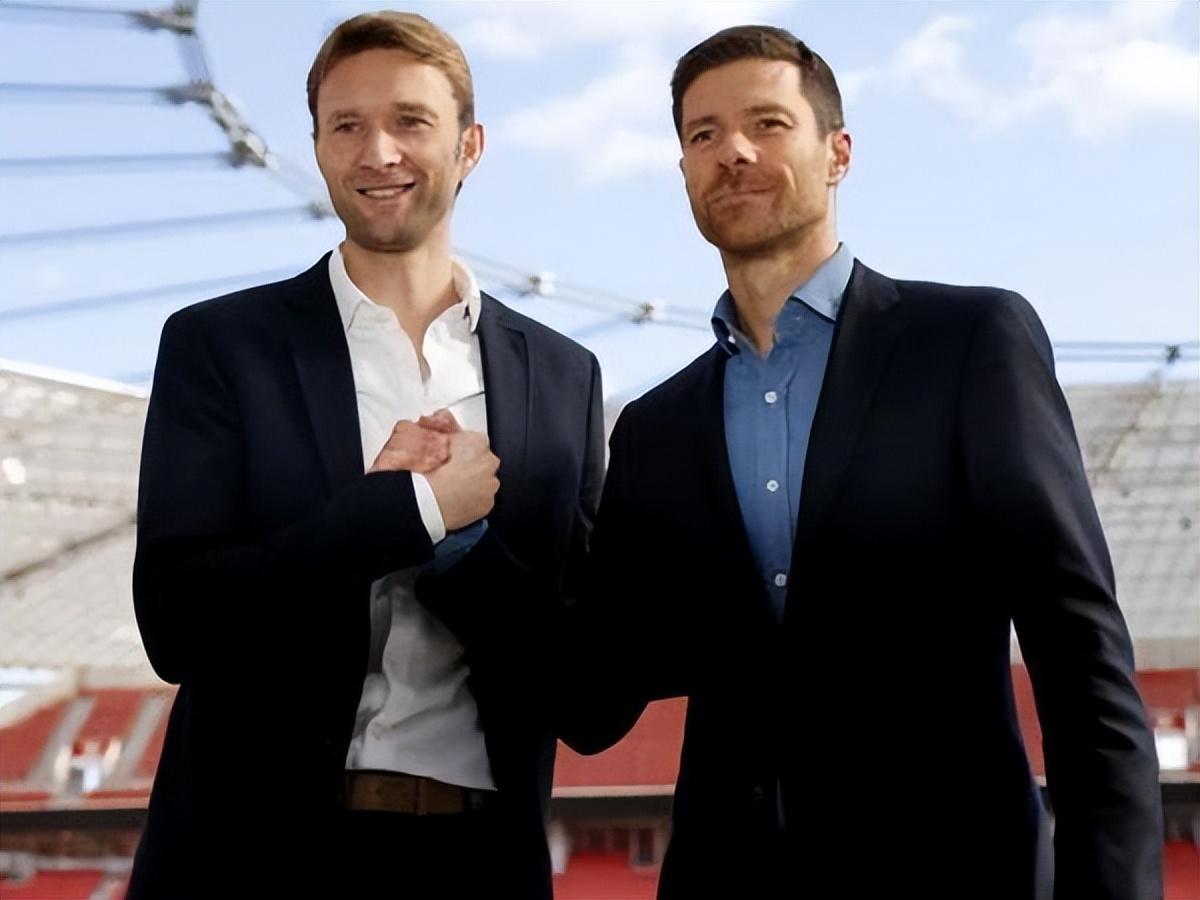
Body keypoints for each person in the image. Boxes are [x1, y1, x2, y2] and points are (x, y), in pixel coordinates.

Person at [561, 24, 1162, 900]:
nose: (733, 151)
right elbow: (592, 702)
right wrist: (452, 523)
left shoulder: (968, 343)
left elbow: (1079, 651)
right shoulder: (656, 428)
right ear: (683, 169)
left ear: (838, 153)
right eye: (703, 133)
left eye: (768, 123)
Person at [128, 12, 603, 899]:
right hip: (253, 865)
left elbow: (581, 689)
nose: (377, 152)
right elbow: (176, 624)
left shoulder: (563, 376)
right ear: (317, 147)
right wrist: (406, 513)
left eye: (410, 121)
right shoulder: (219, 347)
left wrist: (464, 547)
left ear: (470, 146)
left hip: (479, 867)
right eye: (346, 125)